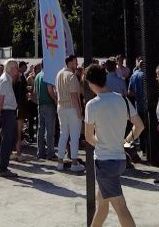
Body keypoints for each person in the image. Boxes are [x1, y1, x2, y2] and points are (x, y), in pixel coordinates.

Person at [84, 64, 145, 227]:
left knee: (120, 208)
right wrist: (126, 141)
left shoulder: (92, 105)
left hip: (105, 162)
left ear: (90, 83)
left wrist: (103, 144)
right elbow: (139, 125)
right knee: (102, 203)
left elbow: (89, 137)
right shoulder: (122, 99)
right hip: (119, 159)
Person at [55, 55, 85, 173]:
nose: (76, 64)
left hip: (61, 107)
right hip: (71, 107)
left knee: (63, 135)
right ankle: (74, 162)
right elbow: (73, 95)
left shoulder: (59, 74)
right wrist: (79, 111)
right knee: (74, 137)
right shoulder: (71, 76)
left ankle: (60, 162)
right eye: (75, 62)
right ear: (70, 63)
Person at [0, 59, 20, 178]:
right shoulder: (5, 80)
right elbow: (0, 100)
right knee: (8, 140)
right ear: (11, 68)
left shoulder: (6, 79)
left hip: (9, 112)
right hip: (7, 113)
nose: (18, 70)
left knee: (12, 138)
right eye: (17, 68)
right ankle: (3, 168)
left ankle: (1, 162)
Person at [34, 61, 57, 160]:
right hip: (48, 105)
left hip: (40, 105)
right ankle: (50, 152)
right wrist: (56, 100)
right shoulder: (48, 76)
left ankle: (40, 151)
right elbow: (50, 90)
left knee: (40, 129)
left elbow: (35, 91)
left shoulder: (37, 76)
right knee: (50, 130)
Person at [127, 60, 147, 153]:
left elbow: (130, 92)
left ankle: (143, 149)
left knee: (141, 128)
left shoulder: (134, 76)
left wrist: (138, 95)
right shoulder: (147, 76)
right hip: (148, 106)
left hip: (139, 105)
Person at [13, 60, 29, 161]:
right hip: (19, 106)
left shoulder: (10, 78)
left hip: (11, 107)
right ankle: (18, 153)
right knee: (18, 131)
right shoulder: (20, 77)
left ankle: (12, 152)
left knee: (10, 131)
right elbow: (24, 92)